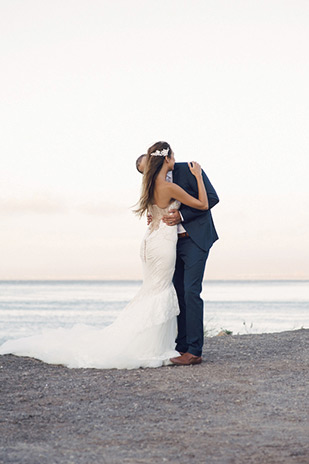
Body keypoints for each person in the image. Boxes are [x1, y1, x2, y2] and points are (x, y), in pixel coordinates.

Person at [0, 141, 210, 369]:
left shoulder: (153, 184)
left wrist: (174, 213)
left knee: (158, 291)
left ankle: (175, 346)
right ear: (166, 158)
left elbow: (209, 199)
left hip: (155, 241)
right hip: (164, 244)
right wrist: (197, 177)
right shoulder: (169, 184)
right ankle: (177, 347)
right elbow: (203, 203)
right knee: (165, 291)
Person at [137, 145, 219, 366]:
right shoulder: (156, 182)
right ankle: (181, 346)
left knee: (191, 291)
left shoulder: (189, 170)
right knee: (178, 292)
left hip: (195, 239)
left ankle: (194, 351)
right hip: (170, 243)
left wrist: (181, 215)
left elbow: (211, 199)